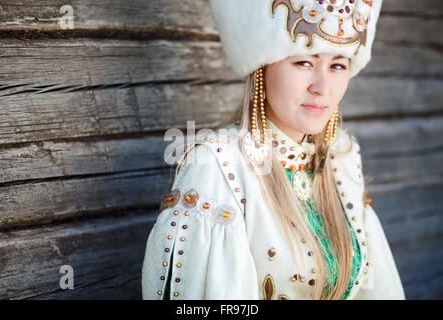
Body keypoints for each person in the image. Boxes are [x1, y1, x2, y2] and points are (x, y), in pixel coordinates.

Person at [141, 0, 405, 300]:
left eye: (337, 65)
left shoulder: (342, 157)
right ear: (262, 69)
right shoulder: (218, 167)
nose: (322, 87)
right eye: (304, 62)